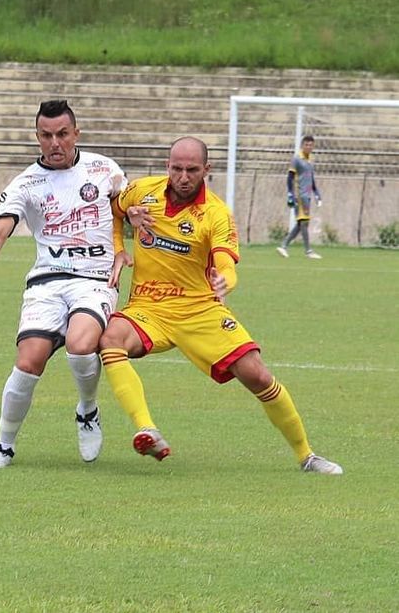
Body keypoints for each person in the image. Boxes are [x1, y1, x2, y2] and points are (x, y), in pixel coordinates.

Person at [98, 136, 342, 474]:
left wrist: (226, 279)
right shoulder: (143, 191)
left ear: (206, 170)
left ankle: (307, 455)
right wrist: (120, 245)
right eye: (176, 168)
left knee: (257, 374)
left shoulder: (215, 213)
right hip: (148, 307)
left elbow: (225, 260)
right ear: (168, 166)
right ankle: (147, 429)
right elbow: (113, 207)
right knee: (110, 339)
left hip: (200, 310)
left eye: (192, 170)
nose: (183, 176)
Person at [0, 99, 132, 468]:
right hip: (47, 282)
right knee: (29, 359)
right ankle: (3, 446)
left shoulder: (105, 170)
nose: (55, 143)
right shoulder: (27, 183)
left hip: (94, 280)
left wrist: (123, 251)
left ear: (76, 134)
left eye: (62, 134)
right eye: (46, 135)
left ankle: (87, 410)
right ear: (37, 137)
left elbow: (129, 215)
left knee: (80, 344)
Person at [276, 135, 323, 259]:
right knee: (304, 223)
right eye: (306, 144)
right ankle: (308, 251)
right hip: (299, 195)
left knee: (301, 223)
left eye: (311, 145)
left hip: (307, 195)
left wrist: (317, 193)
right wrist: (290, 194)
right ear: (302, 145)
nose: (308, 147)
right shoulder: (296, 159)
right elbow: (290, 177)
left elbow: (311, 179)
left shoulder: (310, 160)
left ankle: (284, 246)